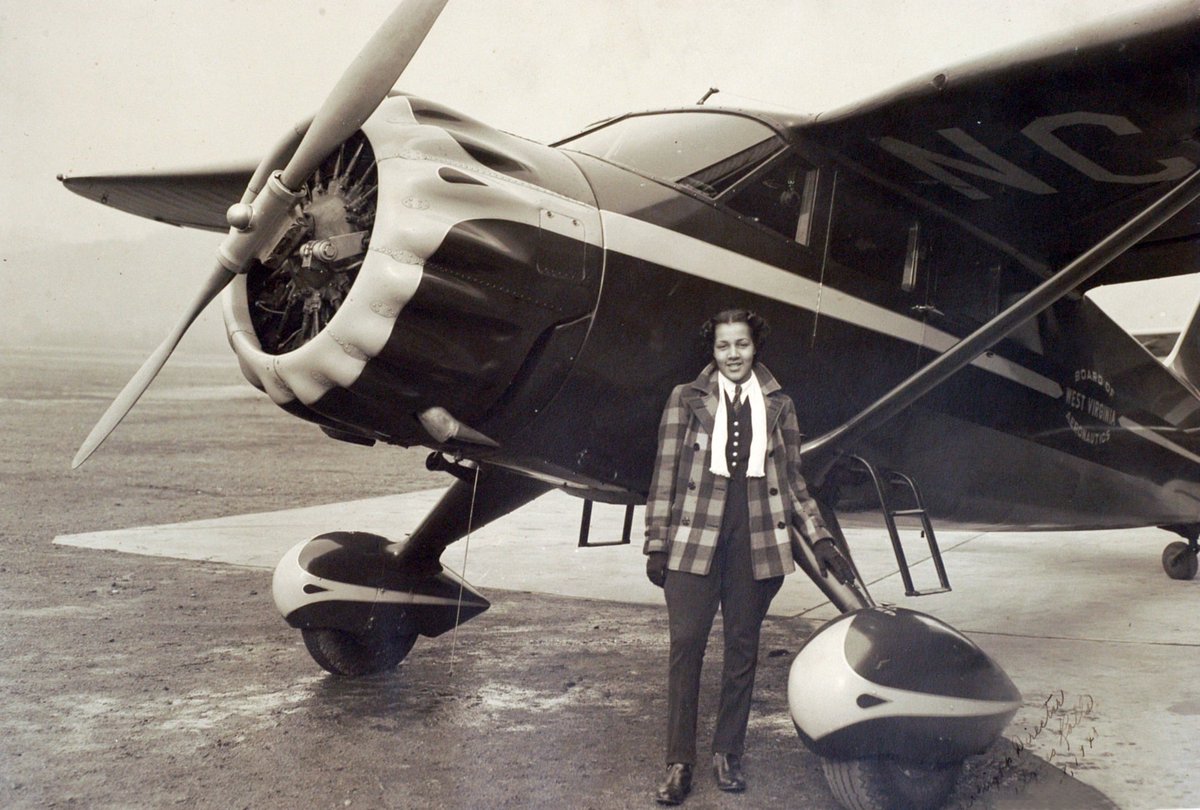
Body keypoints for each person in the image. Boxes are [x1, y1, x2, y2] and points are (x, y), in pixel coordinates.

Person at [643, 308, 854, 805]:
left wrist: (820, 537)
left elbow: (794, 482)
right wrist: (657, 542)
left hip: (755, 541)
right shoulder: (685, 398)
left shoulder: (780, 405)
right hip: (694, 541)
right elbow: (665, 475)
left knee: (742, 649)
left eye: (741, 345)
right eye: (723, 346)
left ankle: (727, 753)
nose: (732, 355)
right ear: (712, 351)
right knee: (686, 647)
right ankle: (679, 762)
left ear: (754, 347)